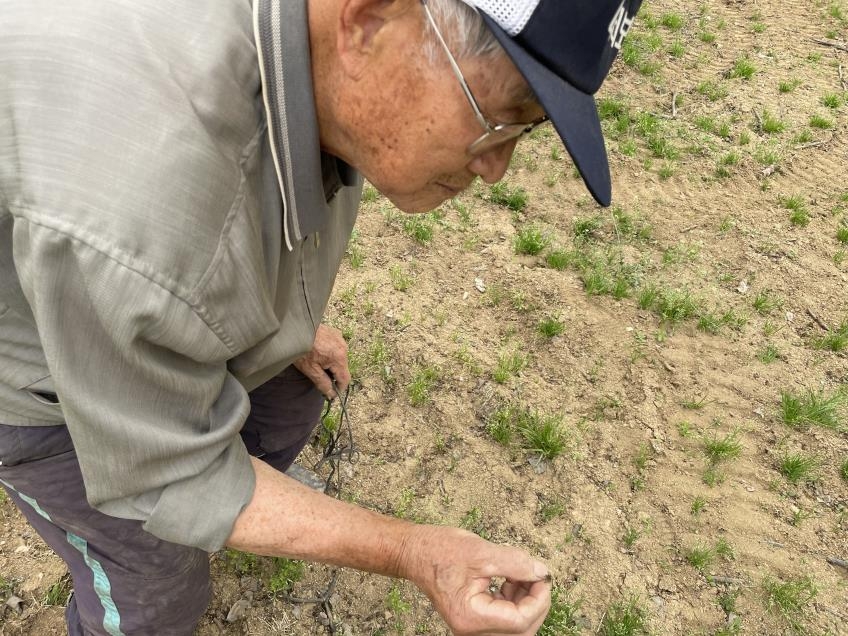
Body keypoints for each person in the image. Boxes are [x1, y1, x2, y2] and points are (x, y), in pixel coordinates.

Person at [0, 0, 641, 633]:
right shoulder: (141, 211)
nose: (496, 168)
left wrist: (286, 323)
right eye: (498, 118)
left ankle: (239, 509)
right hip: (37, 377)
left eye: (522, 132)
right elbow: (162, 466)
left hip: (127, 287)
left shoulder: (318, 54)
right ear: (367, 20)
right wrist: (416, 553)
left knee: (294, 391)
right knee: (154, 596)